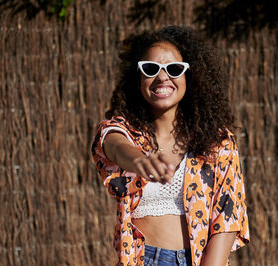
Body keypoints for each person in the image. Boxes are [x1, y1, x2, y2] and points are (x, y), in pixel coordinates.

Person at [92, 26, 249, 266]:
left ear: (190, 76)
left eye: (174, 69)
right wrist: (137, 160)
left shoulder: (218, 142)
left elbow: (227, 216)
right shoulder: (125, 132)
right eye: (151, 69)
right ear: (138, 78)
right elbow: (112, 144)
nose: (162, 77)